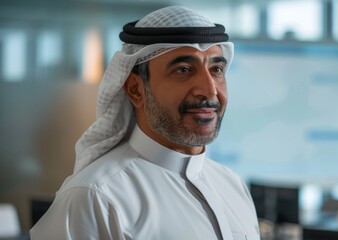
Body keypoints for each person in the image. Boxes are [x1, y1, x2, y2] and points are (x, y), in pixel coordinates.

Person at [30, 6, 260, 240]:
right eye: (183, 69)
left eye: (216, 69)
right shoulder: (96, 197)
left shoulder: (233, 186)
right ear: (136, 89)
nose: (209, 90)